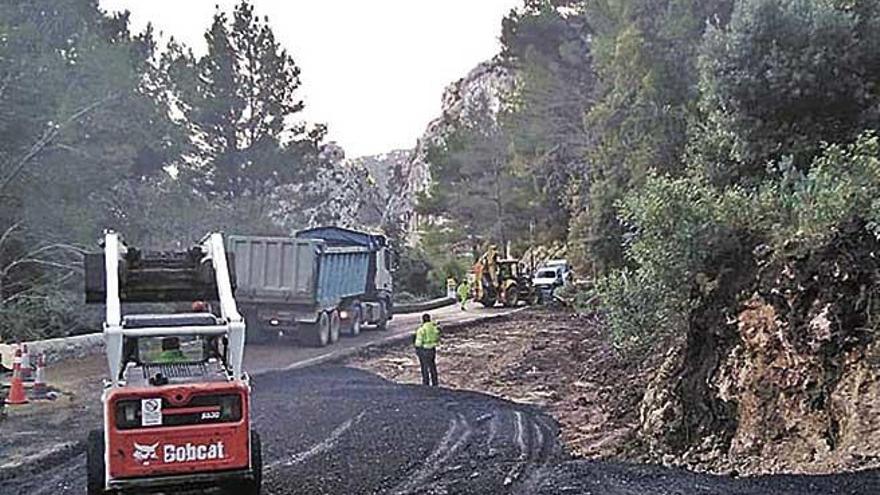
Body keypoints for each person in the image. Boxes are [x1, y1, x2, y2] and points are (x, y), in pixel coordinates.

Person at [414, 313, 440, 387]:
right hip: (432, 349)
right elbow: (437, 336)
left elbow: (418, 343)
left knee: (424, 367)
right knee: (432, 366)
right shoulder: (434, 328)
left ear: (423, 320)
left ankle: (426, 383)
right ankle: (435, 382)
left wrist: (417, 349)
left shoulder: (421, 330)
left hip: (424, 350)